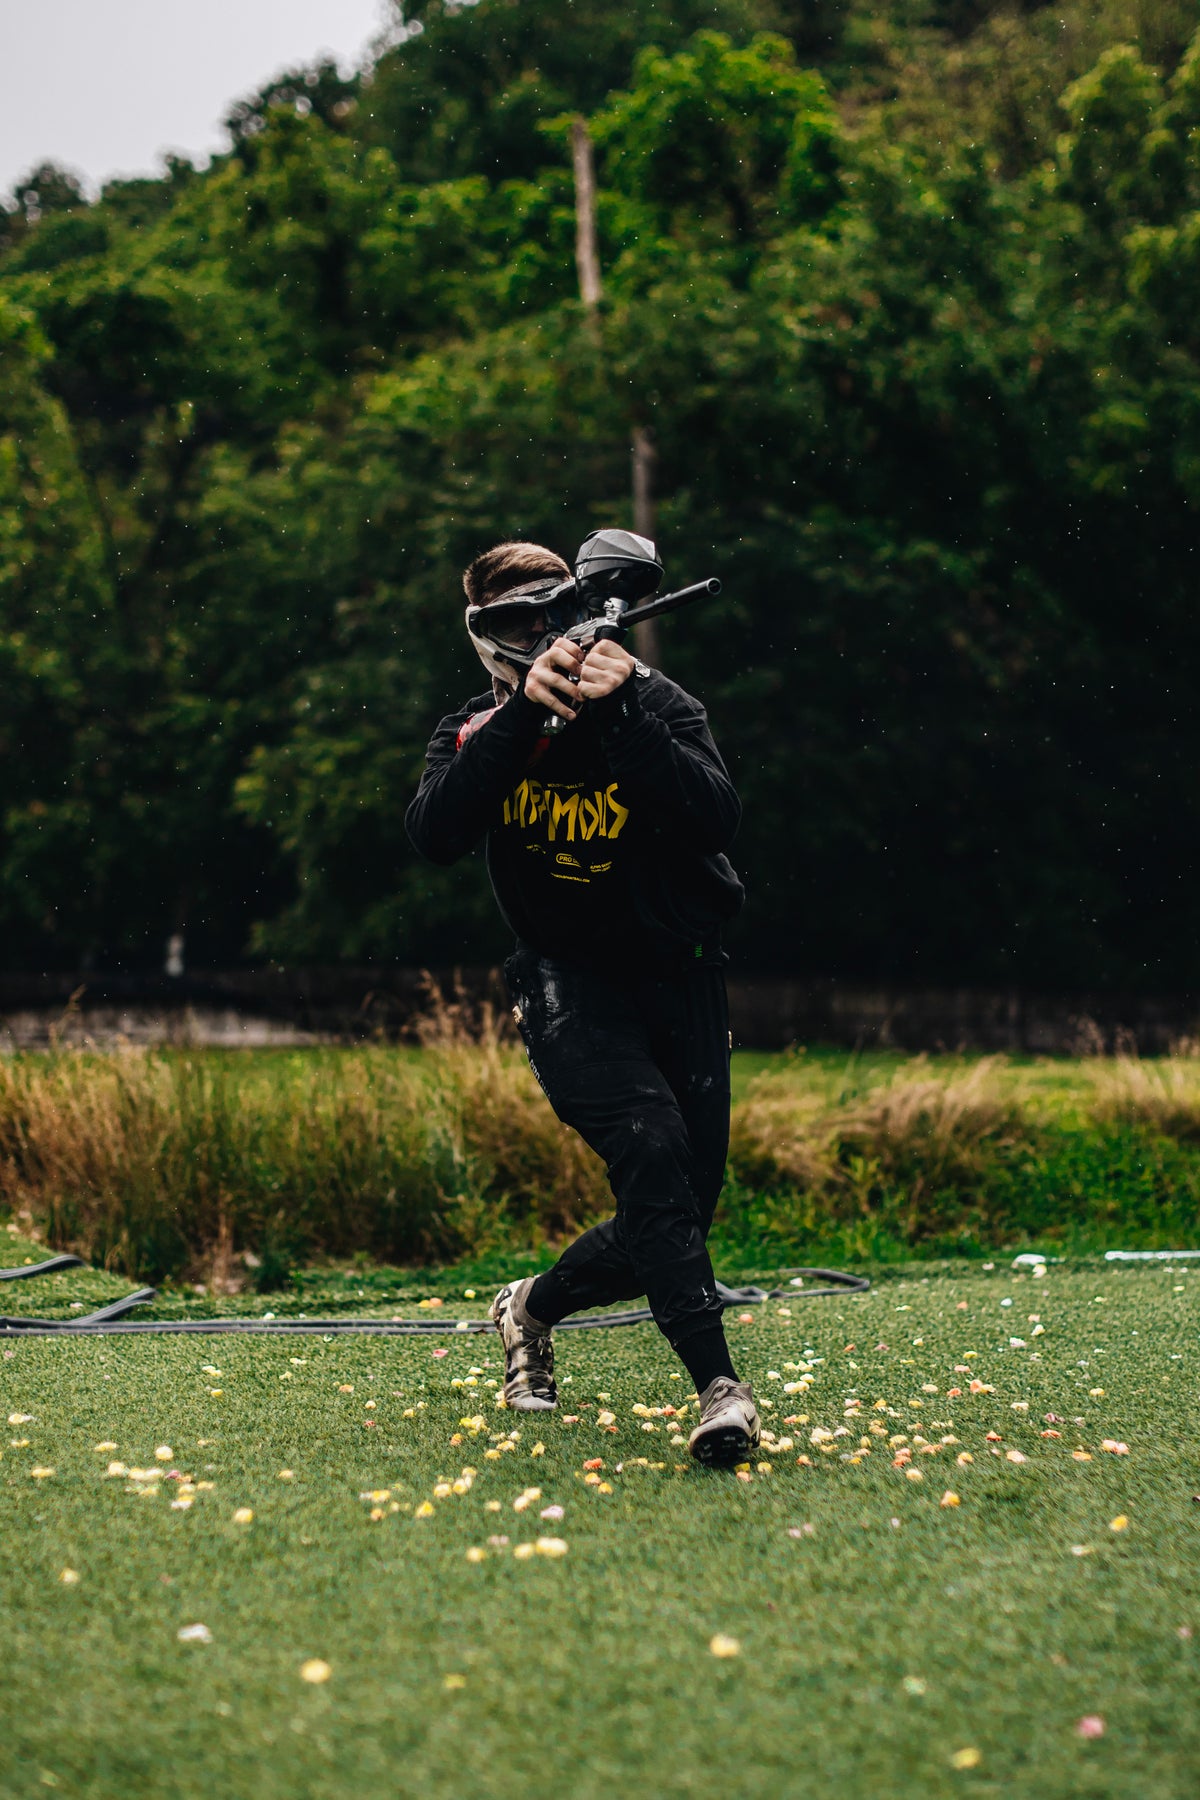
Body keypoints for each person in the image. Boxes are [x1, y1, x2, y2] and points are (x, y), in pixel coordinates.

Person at [405, 537, 760, 1465]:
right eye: (514, 623)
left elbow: (715, 816)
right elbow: (437, 831)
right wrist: (527, 714)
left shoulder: (653, 699)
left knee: (681, 1203)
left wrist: (621, 712)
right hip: (568, 985)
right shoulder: (476, 729)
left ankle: (530, 1307)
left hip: (682, 972)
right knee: (649, 1147)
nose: (540, 634)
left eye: (554, 611)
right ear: (485, 638)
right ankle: (719, 1388)